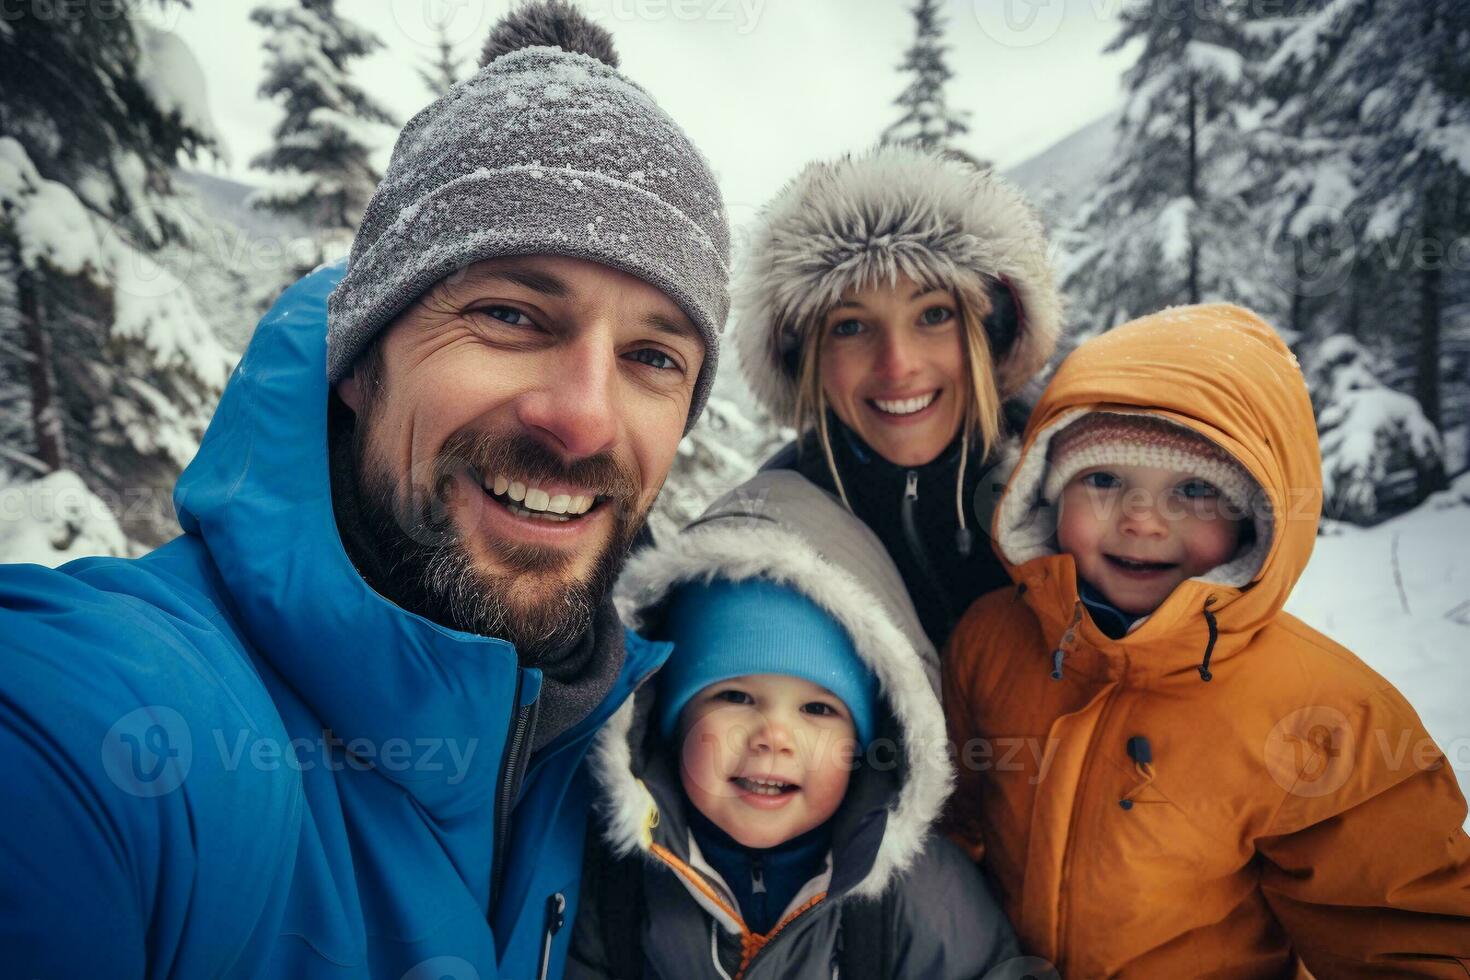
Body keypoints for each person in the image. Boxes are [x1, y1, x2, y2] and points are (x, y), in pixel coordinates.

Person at [0, 5, 731, 978]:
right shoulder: (109, 735)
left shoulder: (610, 754)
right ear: (358, 359)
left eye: (652, 356)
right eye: (510, 313)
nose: (586, 418)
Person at [943, 304, 1470, 976]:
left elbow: (1402, 934)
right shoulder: (993, 638)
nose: (1141, 521)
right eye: (1103, 480)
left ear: (1255, 519)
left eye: (1194, 490)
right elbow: (954, 825)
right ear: (1048, 492)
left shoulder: (1324, 713)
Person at [568, 470, 1020, 979]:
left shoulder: (920, 895)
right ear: (670, 722)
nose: (774, 738)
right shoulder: (612, 881)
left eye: (818, 710)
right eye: (735, 697)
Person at [732, 145, 1064, 662]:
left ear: (990, 333)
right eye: (850, 326)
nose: (897, 365)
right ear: (807, 362)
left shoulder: (1075, 483)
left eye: (933, 315)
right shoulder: (775, 530)